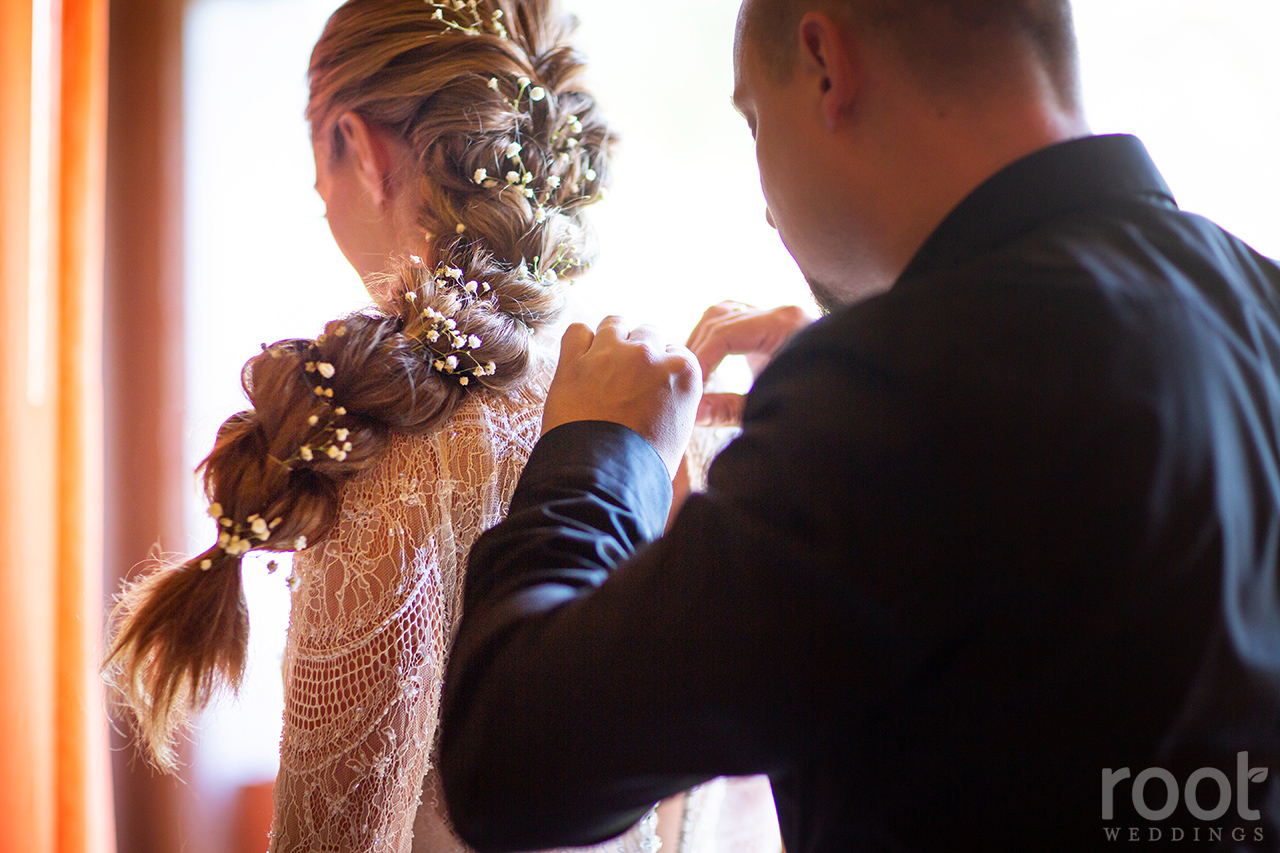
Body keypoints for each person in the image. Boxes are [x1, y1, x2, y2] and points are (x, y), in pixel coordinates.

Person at [437, 0, 1280, 850]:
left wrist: (601, 451)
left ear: (826, 64)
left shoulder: (907, 384)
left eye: (756, 121)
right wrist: (824, 423)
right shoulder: (1258, 303)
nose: (768, 208)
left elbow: (511, 769)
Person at [103, 1, 773, 850]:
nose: (320, 198)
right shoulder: (659, 418)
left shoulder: (396, 464)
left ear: (360, 146)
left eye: (321, 164)